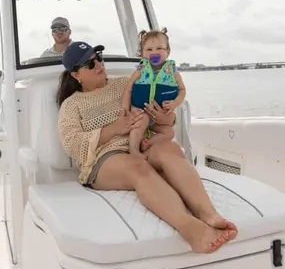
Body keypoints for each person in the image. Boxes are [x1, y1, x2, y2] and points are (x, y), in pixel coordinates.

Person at [56, 40, 238, 254]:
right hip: (104, 157)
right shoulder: (72, 105)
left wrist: (164, 117)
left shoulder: (126, 84)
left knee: (170, 150)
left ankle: (208, 213)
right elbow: (72, 144)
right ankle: (192, 230)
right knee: (137, 167)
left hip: (144, 141)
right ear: (75, 75)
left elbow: (162, 115)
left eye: (99, 59)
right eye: (89, 64)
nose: (99, 65)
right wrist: (114, 128)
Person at [122, 28, 186, 157]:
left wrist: (174, 103)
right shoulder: (141, 70)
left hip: (157, 119)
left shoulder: (172, 72)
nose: (154, 52)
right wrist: (125, 108)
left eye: (159, 48)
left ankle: (147, 143)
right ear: (142, 53)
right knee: (140, 125)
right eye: (149, 49)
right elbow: (128, 89)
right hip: (141, 112)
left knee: (169, 133)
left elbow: (182, 90)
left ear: (167, 52)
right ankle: (134, 150)